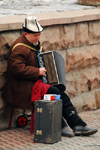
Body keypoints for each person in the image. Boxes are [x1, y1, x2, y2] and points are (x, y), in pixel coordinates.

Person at [1, 16, 98, 137]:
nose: (38, 38)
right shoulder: (19, 48)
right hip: (21, 89)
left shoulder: (35, 45)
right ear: (26, 34)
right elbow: (17, 69)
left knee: (61, 92)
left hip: (33, 84)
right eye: (35, 35)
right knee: (53, 91)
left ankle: (78, 125)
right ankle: (60, 126)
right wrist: (37, 71)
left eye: (39, 35)